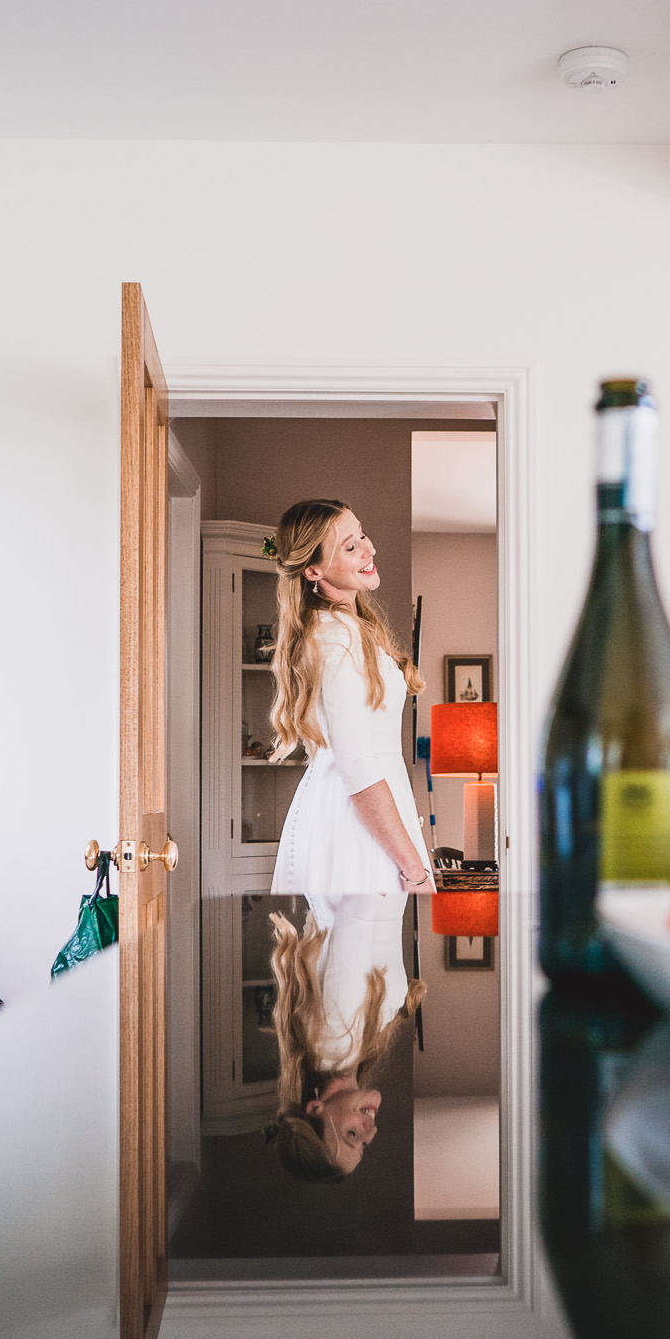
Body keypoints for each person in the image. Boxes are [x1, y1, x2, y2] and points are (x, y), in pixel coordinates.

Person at [266, 499, 435, 898]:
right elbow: (357, 765)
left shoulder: (349, 629)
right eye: (350, 546)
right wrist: (415, 870)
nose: (369, 548)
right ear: (313, 569)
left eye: (362, 535)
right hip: (354, 830)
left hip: (366, 818)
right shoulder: (334, 637)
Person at [263, 895, 423, 1182]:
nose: (370, 1132)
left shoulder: (337, 1039)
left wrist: (412, 870)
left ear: (315, 1108)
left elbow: (359, 900)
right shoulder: (344, 1049)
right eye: (364, 1144)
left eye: (352, 1135)